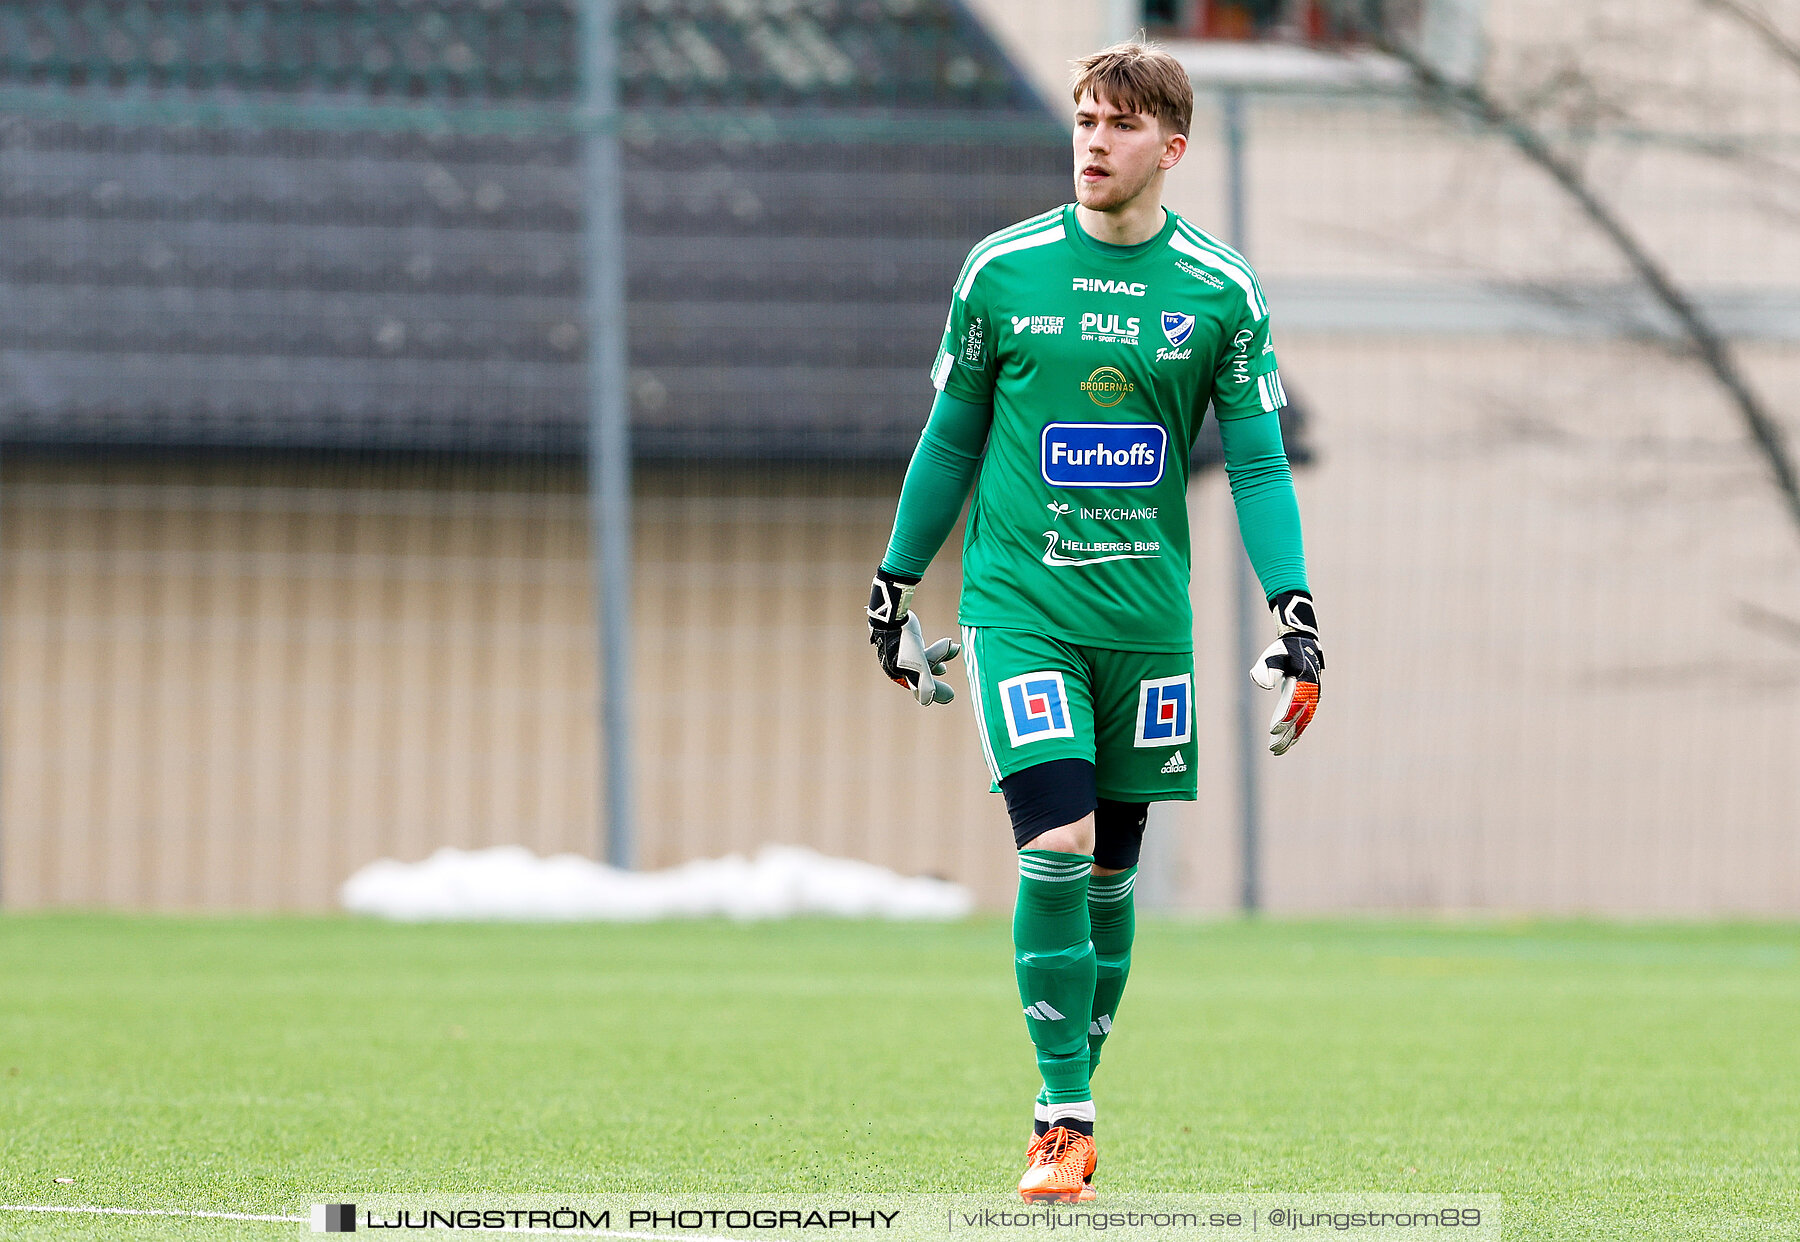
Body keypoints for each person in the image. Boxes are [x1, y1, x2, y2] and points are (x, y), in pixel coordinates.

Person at [865, 42, 1323, 1202]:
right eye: (1081, 121)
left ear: (1171, 147)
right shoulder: (1001, 271)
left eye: (1118, 126)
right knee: (1056, 845)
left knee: (1113, 879)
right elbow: (952, 437)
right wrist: (895, 577)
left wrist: (1297, 612)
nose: (1091, 143)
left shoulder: (1222, 291)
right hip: (1021, 608)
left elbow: (1260, 465)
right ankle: (1062, 1116)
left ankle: (1068, 1080)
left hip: (1144, 624)